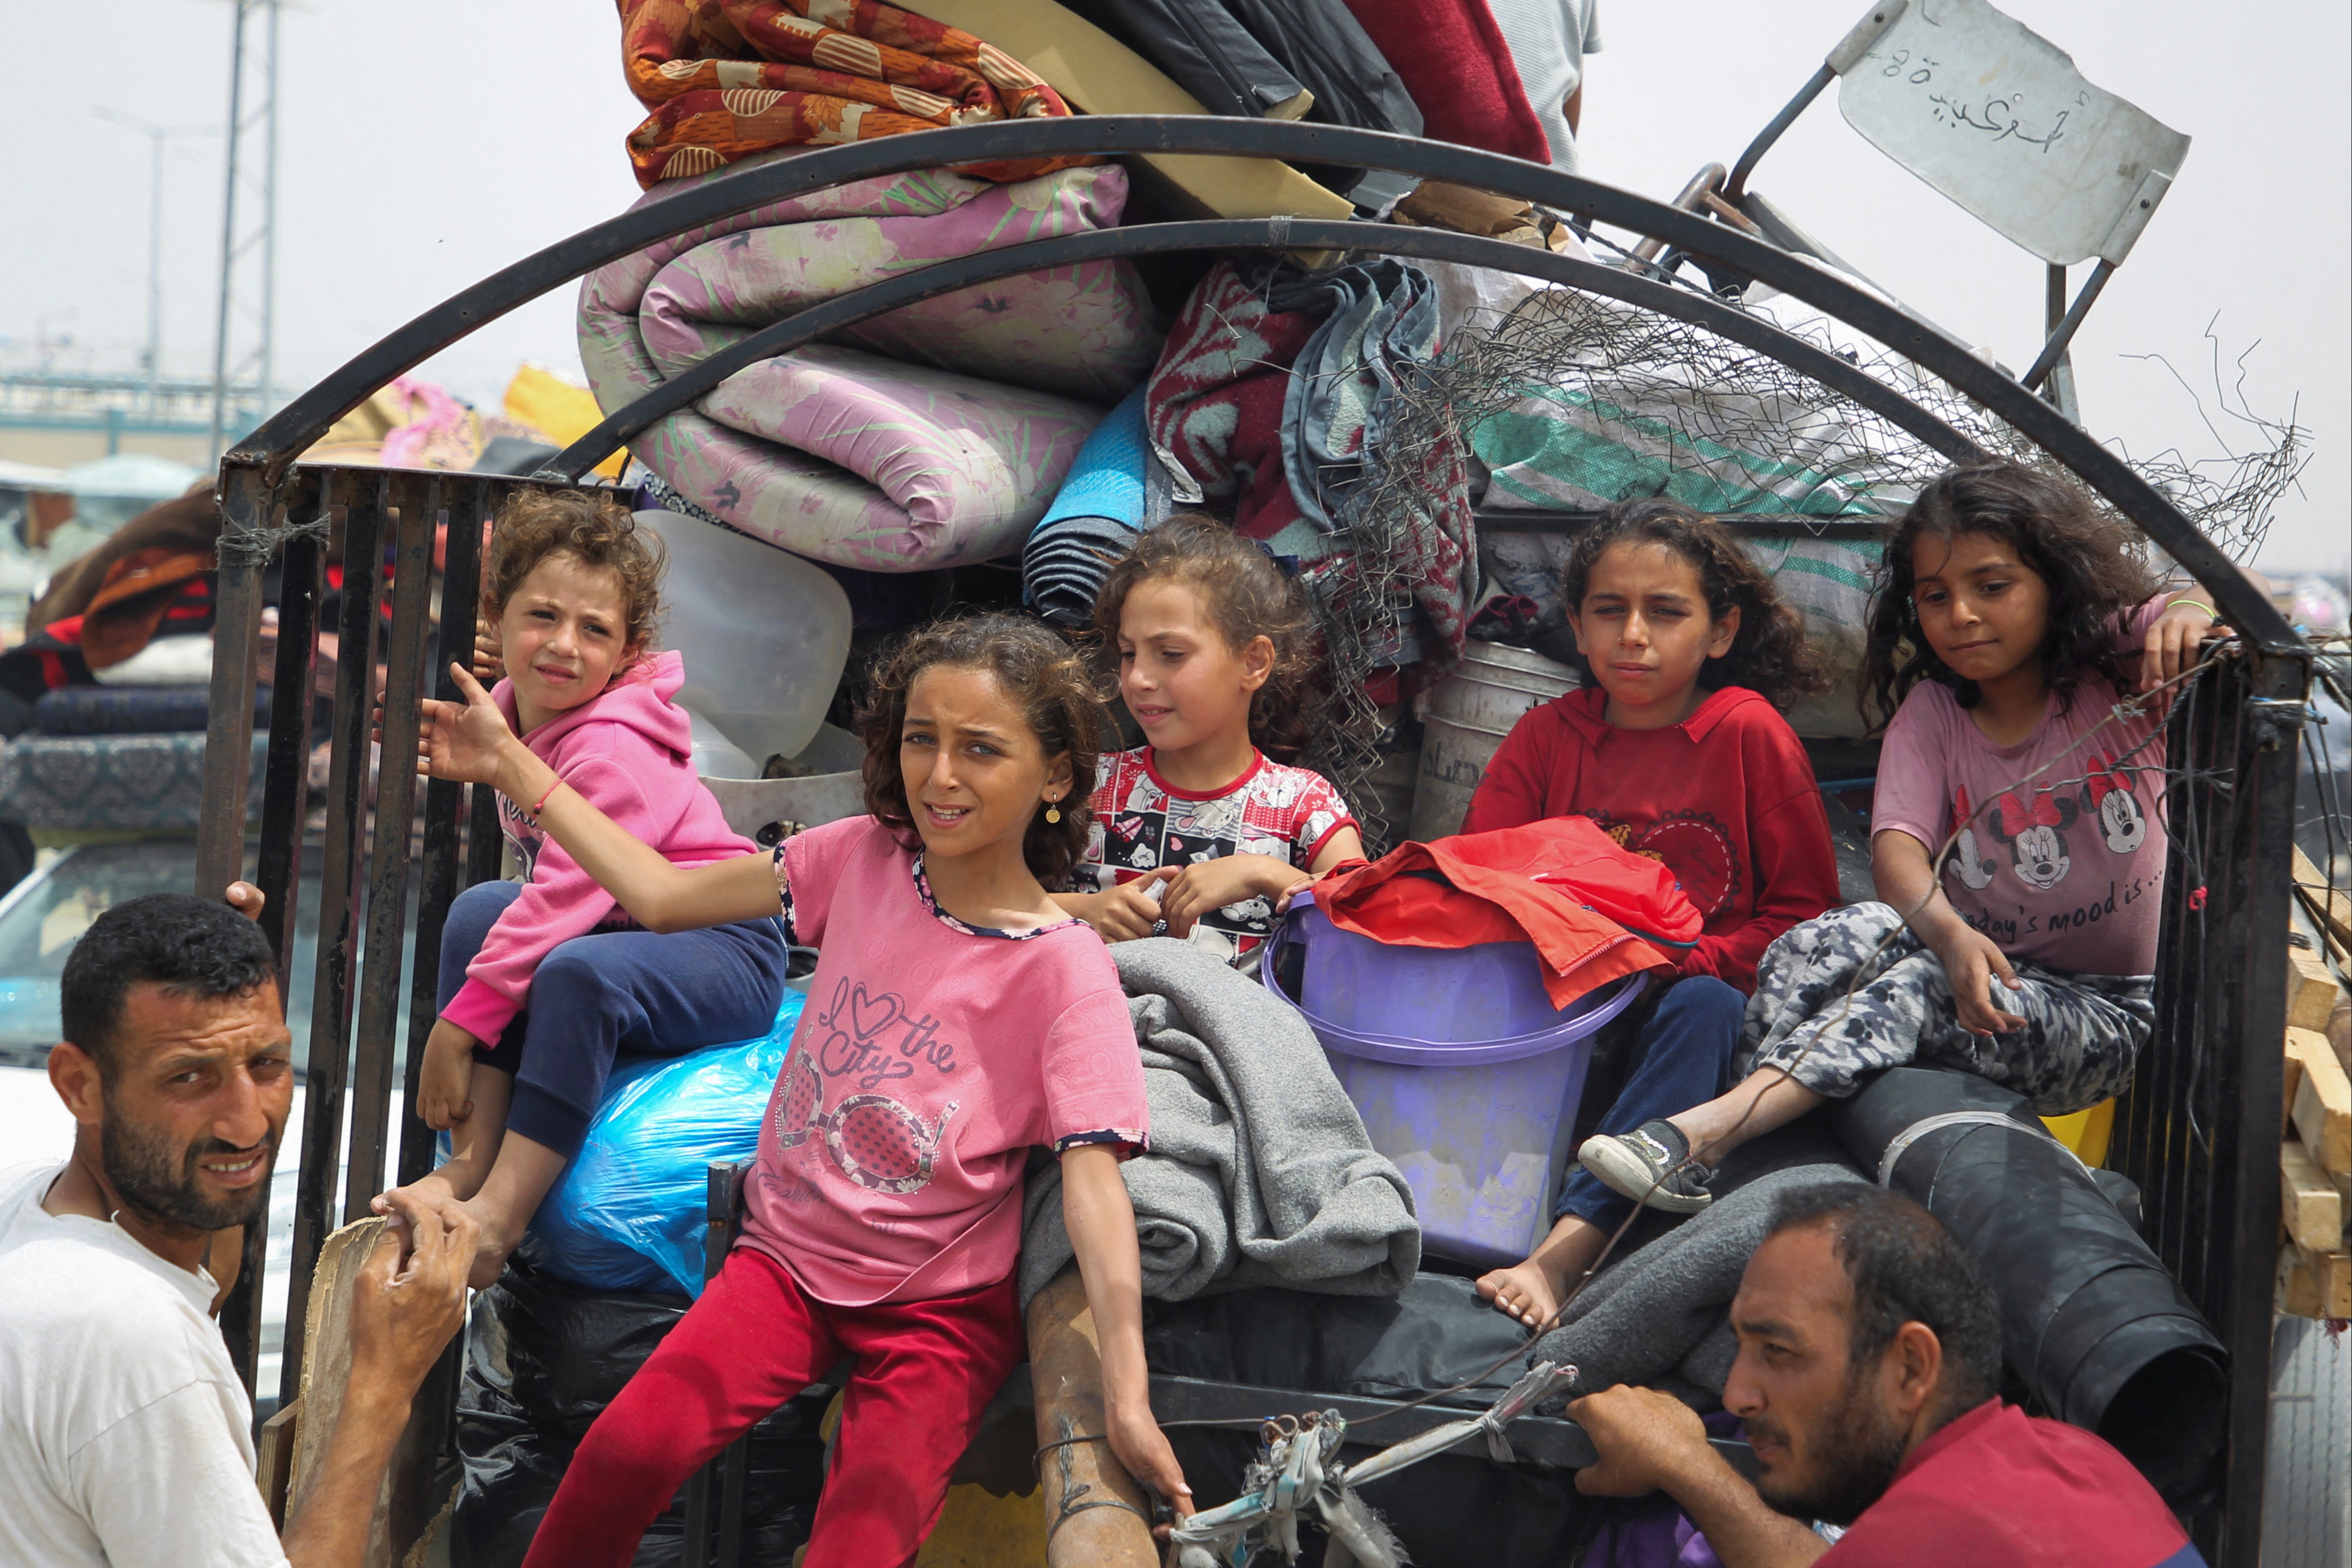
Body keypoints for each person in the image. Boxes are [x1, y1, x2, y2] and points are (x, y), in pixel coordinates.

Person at [402, 612, 1190, 1566]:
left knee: (854, 1549)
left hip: (934, 1315)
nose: (940, 777)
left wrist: (1128, 1397)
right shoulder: (857, 856)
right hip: (783, 1262)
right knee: (620, 1455)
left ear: (1056, 775)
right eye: (920, 739)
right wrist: (514, 764)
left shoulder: (1065, 970)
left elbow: (1094, 1188)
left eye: (981, 750)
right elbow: (656, 894)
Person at [1578, 462, 2221, 1197]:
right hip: (1971, 961)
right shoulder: (1933, 714)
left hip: (2099, 1011)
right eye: (1936, 596)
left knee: (1918, 987)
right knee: (1826, 940)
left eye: (1993, 587)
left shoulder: (2113, 672)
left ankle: (1699, 1136)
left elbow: (2234, 598)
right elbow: (1896, 853)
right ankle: (1746, 1146)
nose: (1963, 616)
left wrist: (2189, 609)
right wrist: (1950, 933)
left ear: (2055, 581)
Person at [0, 891, 477, 1568]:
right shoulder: (130, 1339)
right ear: (80, 1085)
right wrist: (379, 1385)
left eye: (267, 1065)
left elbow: (193, 1261)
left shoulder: (29, 1204)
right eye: (190, 1076)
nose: (247, 1122)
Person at [382, 491, 786, 1286]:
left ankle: (501, 1212)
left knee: (575, 972)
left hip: (722, 949)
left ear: (627, 651)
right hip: (631, 928)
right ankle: (472, 1160)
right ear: (495, 617)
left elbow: (567, 898)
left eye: (594, 630)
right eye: (542, 617)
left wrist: (456, 1027)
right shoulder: (511, 714)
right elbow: (543, 894)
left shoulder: (607, 746)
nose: (564, 646)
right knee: (478, 912)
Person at [1469, 499, 1840, 1329]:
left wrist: (1685, 960)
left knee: (1705, 1007)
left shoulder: (1747, 734)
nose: (1632, 634)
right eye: (1609, 610)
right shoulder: (1544, 736)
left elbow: (1804, 915)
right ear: (1576, 624)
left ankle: (1563, 1254)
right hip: (1558, 1006)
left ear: (1717, 631)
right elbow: (1481, 880)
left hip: (1688, 1015)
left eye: (1664, 611)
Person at [1568, 1183, 2207, 1567]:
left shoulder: (1936, 1527)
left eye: (1779, 1349)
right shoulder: (2083, 1460)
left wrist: (1684, 1462)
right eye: (1742, 1345)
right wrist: (1682, 1462)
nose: (1736, 1391)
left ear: (1910, 1367)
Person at [1055, 515, 1365, 965]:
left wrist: (1265, 873)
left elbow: (1369, 920)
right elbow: (988, 896)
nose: (1138, 678)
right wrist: (1080, 911)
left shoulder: (1304, 805)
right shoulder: (1087, 785)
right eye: (1128, 653)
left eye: (1171, 654)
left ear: (1253, 662)